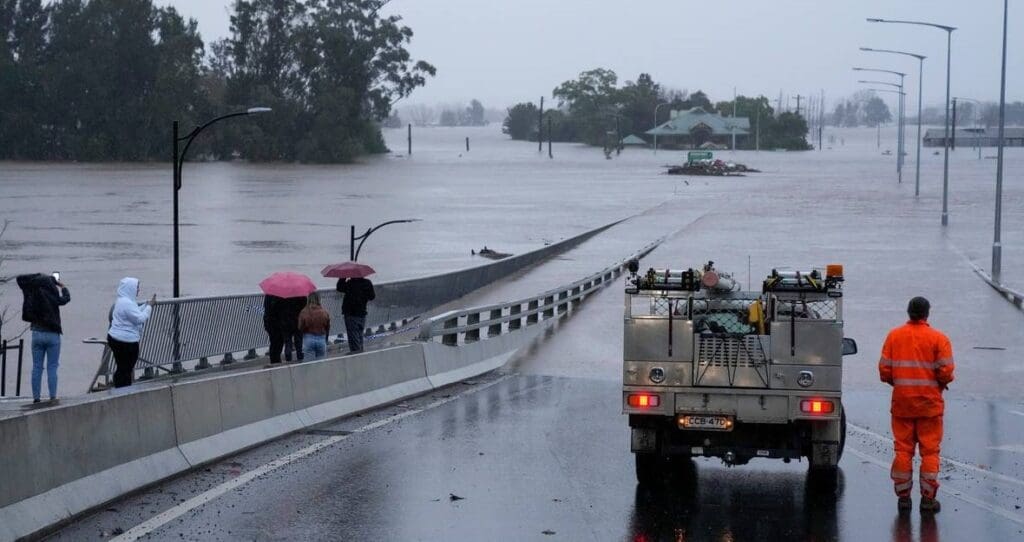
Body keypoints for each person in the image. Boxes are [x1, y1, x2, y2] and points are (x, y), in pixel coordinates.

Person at [879, 296, 955, 514]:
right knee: (930, 453)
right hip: (930, 406)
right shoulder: (939, 339)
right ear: (927, 314)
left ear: (908, 312)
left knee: (903, 451)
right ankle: (928, 499)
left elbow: (884, 371)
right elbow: (947, 372)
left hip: (902, 404)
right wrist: (939, 383)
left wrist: (899, 382)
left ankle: (903, 498)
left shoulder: (894, 336)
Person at [16, 273, 71, 403]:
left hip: (37, 333)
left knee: (37, 367)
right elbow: (66, 299)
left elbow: (20, 278)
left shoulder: (32, 291)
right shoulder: (52, 293)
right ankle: (52, 396)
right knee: (52, 367)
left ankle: (36, 398)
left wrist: (37, 276)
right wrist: (62, 286)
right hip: (53, 334)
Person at [107, 277, 155, 388]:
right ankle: (123, 390)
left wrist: (145, 305)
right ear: (130, 288)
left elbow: (134, 312)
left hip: (116, 338)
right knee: (126, 369)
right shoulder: (127, 303)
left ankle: (122, 388)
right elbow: (140, 318)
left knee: (122, 367)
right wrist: (149, 306)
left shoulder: (122, 301)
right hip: (126, 342)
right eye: (137, 288)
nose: (138, 290)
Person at [336, 276, 375, 354]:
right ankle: (360, 354)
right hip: (362, 314)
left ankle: (357, 357)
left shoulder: (350, 284)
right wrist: (363, 296)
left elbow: (339, 287)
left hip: (351, 315)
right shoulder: (367, 283)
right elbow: (372, 296)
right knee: (359, 336)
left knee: (353, 338)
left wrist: (343, 277)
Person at [298, 292, 331, 361]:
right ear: (319, 299)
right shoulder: (324, 312)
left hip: (308, 339)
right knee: (321, 364)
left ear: (308, 299)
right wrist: (326, 339)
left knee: (308, 365)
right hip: (321, 339)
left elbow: (300, 327)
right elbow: (328, 327)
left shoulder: (304, 312)